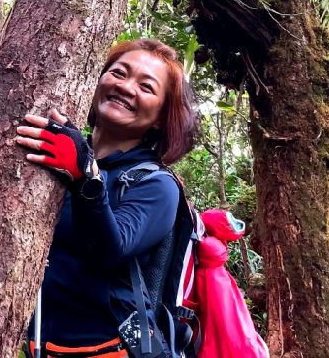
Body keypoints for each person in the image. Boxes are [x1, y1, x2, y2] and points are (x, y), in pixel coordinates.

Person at [14, 38, 198, 358]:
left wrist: (85, 175)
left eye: (146, 86)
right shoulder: (62, 155)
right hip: (39, 346)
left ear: (159, 117)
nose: (126, 87)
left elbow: (110, 250)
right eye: (119, 73)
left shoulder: (158, 185)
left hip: (109, 350)